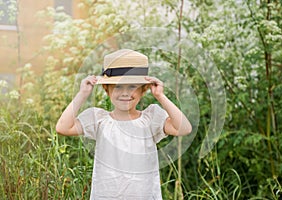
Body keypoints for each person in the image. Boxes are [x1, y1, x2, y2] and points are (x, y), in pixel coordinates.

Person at [56, 49, 192, 199]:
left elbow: (184, 128)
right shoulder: (99, 119)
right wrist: (82, 94)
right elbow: (63, 127)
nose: (125, 93)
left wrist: (160, 96)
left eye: (132, 86)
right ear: (107, 89)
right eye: (118, 87)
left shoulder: (150, 119)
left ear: (143, 90)